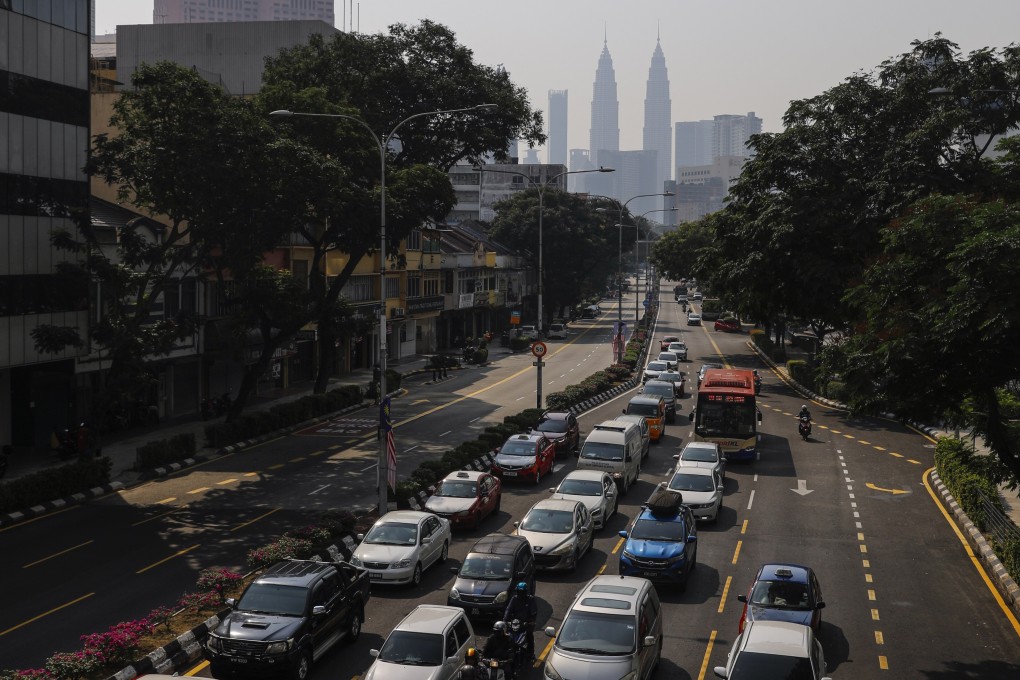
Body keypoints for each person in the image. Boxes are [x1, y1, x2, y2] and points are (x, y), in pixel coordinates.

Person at [504, 581, 538, 661]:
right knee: (506, 635)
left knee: (529, 635)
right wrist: (505, 620)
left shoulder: (530, 599)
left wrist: (530, 621)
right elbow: (508, 610)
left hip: (526, 623)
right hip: (515, 623)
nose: (520, 594)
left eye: (522, 592)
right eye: (519, 592)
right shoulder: (514, 599)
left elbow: (534, 612)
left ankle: (531, 653)